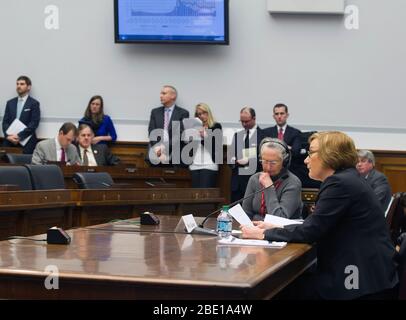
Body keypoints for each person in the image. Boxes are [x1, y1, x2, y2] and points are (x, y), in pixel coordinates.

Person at [241, 131, 398, 300]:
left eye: (310, 153)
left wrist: (263, 234)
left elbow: (310, 231)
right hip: (368, 271)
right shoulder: (347, 179)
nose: (306, 160)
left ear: (330, 155)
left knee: (279, 290)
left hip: (358, 280)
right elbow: (316, 224)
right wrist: (278, 226)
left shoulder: (339, 183)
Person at [242, 138, 302, 220]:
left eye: (273, 163)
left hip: (283, 231)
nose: (268, 167)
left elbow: (279, 218)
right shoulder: (255, 179)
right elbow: (245, 215)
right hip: (255, 229)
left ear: (284, 162)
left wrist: (269, 187)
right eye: (265, 161)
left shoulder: (293, 183)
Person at [228, 107, 266, 203]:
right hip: (237, 183)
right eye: (242, 121)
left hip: (254, 182)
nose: (244, 124)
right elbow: (230, 156)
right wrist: (232, 160)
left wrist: (249, 161)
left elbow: (266, 159)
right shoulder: (237, 135)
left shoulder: (263, 135)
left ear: (254, 118)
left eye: (247, 121)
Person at [147, 85, 189, 166]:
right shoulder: (155, 112)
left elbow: (179, 134)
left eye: (164, 93)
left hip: (174, 155)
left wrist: (163, 148)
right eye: (161, 93)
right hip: (156, 155)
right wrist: (157, 149)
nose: (160, 96)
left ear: (173, 96)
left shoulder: (183, 113)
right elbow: (151, 131)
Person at [2, 76, 40, 154]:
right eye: (17, 84)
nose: (19, 86)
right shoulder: (10, 103)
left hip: (27, 141)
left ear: (29, 87)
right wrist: (8, 136)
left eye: (22, 84)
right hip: (10, 140)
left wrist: (19, 136)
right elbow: (5, 122)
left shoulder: (34, 103)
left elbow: (34, 123)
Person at [188, 103, 222, 188]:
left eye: (204, 113)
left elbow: (215, 147)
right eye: (199, 114)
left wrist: (205, 136)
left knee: (205, 196)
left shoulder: (215, 127)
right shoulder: (194, 128)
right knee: (194, 196)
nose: (202, 116)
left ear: (208, 113)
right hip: (194, 165)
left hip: (209, 165)